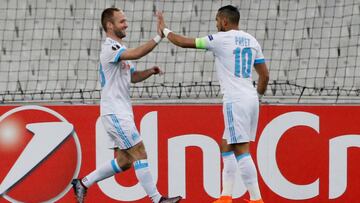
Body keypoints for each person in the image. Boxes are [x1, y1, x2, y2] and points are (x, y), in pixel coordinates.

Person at [157, 5, 269, 203]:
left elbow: (183, 42)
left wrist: (164, 29)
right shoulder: (252, 40)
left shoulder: (220, 39)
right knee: (226, 144)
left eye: (217, 20)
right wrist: (257, 96)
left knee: (242, 150)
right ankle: (226, 196)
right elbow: (264, 75)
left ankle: (256, 199)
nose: (216, 24)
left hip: (235, 100)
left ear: (224, 21)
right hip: (251, 99)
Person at [71, 8, 182, 203]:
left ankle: (83, 183)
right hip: (114, 113)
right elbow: (137, 54)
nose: (126, 24)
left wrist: (150, 71)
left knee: (124, 162)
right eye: (122, 21)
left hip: (120, 112)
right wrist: (159, 36)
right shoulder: (110, 48)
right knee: (139, 151)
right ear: (109, 25)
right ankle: (157, 200)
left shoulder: (120, 48)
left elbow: (132, 77)